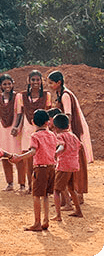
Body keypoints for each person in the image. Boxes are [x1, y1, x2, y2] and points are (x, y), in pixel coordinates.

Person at [47, 70, 93, 202]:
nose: (49, 85)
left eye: (51, 83)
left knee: (77, 163)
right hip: (68, 131)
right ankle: (74, 194)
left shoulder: (66, 95)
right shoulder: (61, 93)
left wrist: (67, 135)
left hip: (72, 131)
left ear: (58, 82)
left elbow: (68, 116)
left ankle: (79, 194)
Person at [12, 110, 59, 232]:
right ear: (47, 122)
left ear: (33, 122)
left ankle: (37, 222)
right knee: (46, 196)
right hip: (51, 167)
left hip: (40, 167)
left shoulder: (35, 136)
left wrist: (19, 157)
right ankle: (46, 220)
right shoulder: (52, 135)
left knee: (37, 195)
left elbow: (33, 151)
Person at [16, 70, 52, 193]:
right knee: (29, 159)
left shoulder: (47, 95)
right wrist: (17, 127)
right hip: (27, 128)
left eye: (38, 79)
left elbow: (48, 113)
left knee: (44, 157)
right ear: (29, 81)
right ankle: (31, 186)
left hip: (42, 128)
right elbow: (20, 113)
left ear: (41, 81)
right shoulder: (22, 96)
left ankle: (45, 186)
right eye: (33, 80)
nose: (35, 82)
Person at [0, 74, 24, 191]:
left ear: (13, 84)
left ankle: (22, 184)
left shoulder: (17, 96)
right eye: (5, 84)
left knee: (18, 156)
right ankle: (10, 183)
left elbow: (20, 113)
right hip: (3, 130)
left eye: (9, 83)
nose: (7, 86)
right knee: (4, 157)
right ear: (1, 86)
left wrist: (17, 126)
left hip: (14, 130)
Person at [51, 114, 83, 221]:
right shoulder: (73, 135)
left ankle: (58, 215)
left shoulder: (60, 136)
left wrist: (55, 153)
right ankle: (78, 210)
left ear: (56, 127)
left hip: (64, 165)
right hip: (74, 165)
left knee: (56, 190)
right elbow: (80, 146)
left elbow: (61, 146)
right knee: (71, 189)